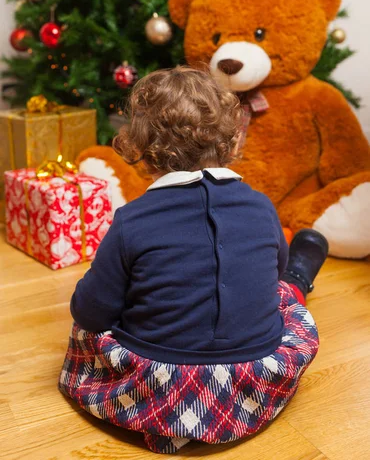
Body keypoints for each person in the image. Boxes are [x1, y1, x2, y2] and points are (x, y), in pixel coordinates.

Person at [59, 67, 328, 454]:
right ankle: (306, 269)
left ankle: (177, 417)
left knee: (89, 329)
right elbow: (272, 278)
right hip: (252, 383)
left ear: (142, 149)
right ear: (232, 140)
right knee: (286, 295)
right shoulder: (260, 205)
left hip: (157, 388)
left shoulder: (131, 220)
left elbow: (89, 314)